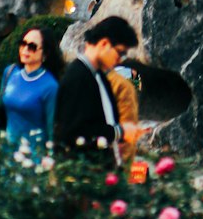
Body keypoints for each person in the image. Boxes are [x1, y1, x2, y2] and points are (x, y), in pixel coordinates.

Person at [53, 16, 140, 165]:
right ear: (104, 43)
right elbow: (74, 132)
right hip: (84, 175)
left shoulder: (97, 75)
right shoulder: (78, 77)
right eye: (120, 53)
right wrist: (120, 132)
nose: (120, 60)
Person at [0, 24, 61, 151]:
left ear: (45, 53)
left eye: (32, 47)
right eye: (22, 43)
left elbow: (51, 129)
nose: (25, 49)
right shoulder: (10, 73)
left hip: (33, 160)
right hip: (5, 155)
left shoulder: (50, 86)